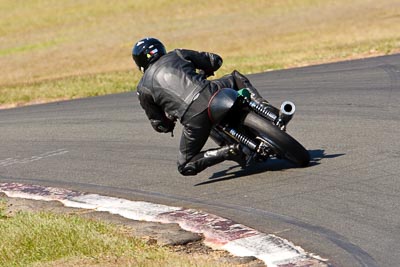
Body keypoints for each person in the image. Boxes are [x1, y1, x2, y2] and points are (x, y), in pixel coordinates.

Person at [132, 37, 275, 176]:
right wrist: (204, 71)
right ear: (161, 48)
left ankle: (229, 150)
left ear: (140, 63)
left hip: (194, 119)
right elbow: (214, 60)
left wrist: (169, 123)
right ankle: (266, 108)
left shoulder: (142, 88)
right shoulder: (177, 54)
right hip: (212, 92)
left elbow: (159, 124)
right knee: (235, 78)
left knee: (185, 165)